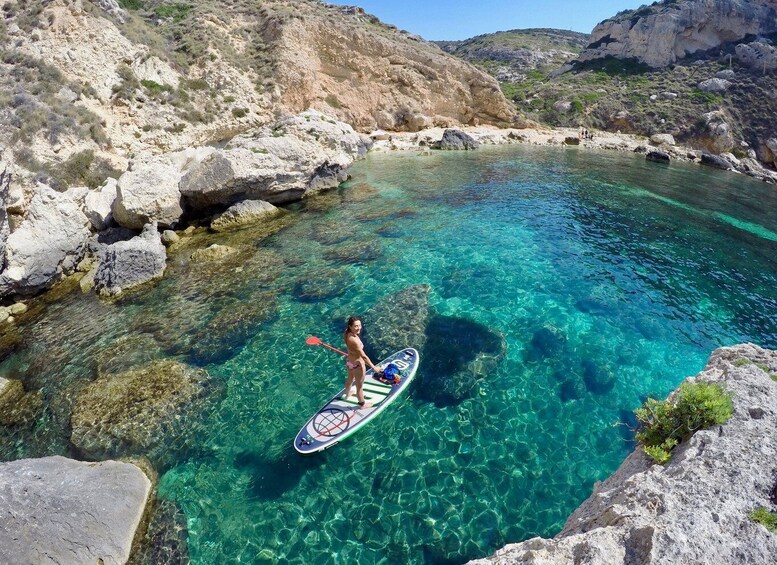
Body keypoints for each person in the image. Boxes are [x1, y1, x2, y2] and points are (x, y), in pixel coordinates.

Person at [343, 316, 379, 408]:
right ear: (350, 326)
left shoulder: (346, 333)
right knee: (359, 386)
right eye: (355, 326)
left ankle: (347, 394)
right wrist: (374, 367)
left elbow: (350, 349)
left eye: (359, 325)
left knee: (350, 379)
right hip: (357, 366)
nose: (358, 328)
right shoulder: (354, 340)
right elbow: (364, 356)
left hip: (350, 362)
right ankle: (362, 404)